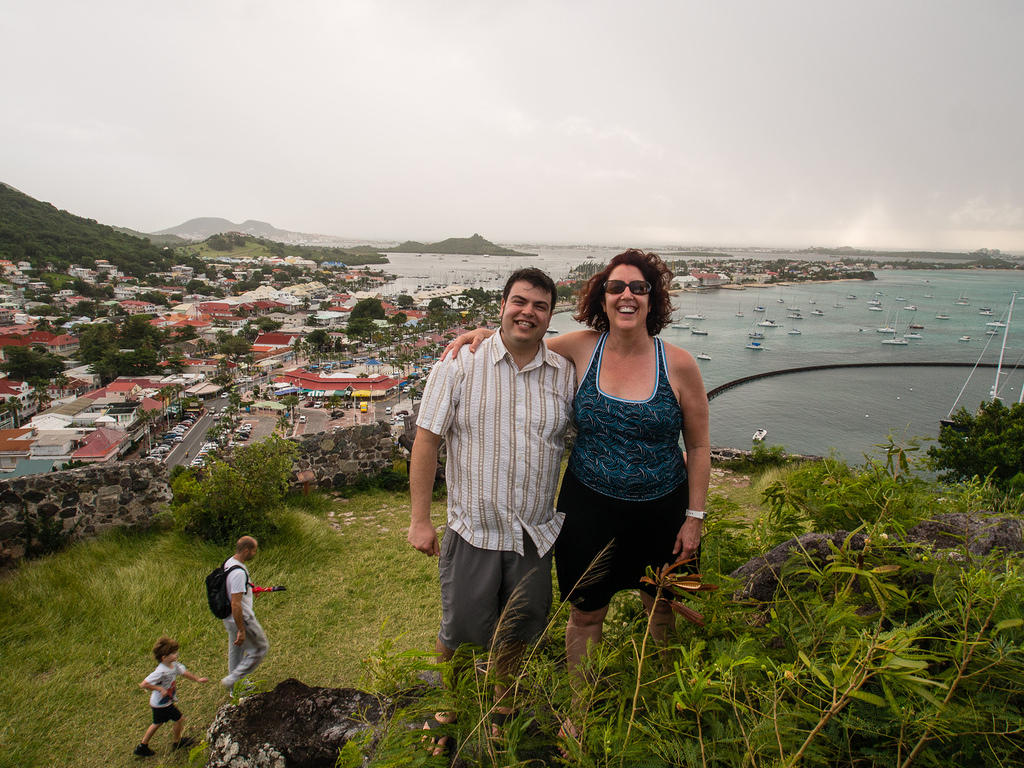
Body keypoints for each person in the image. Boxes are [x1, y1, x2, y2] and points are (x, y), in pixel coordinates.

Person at [447, 249, 710, 677]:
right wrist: (481, 333)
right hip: (591, 509)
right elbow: (522, 342)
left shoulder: (678, 363)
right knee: (586, 615)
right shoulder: (582, 346)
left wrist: (694, 517)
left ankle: (663, 698)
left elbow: (698, 447)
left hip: (663, 508)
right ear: (602, 298)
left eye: (639, 288)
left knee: (664, 608)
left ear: (652, 299)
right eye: (616, 287)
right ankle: (580, 712)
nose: (627, 295)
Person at [408, 267, 575, 751]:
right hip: (474, 530)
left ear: (549, 316)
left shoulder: (564, 375)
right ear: (502, 305)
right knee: (459, 633)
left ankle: (503, 709)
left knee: (518, 635)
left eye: (540, 306)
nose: (528, 312)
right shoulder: (460, 365)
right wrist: (420, 520)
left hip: (533, 535)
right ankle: (452, 709)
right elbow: (427, 441)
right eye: (520, 302)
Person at [133, 636, 208, 757]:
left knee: (158, 723)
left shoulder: (173, 665)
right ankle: (176, 742)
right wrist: (159, 688)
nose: (176, 654)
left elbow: (184, 673)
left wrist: (197, 679)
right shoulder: (161, 671)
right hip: (161, 704)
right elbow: (144, 684)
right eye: (173, 653)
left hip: (164, 702)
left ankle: (143, 746)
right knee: (178, 719)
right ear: (164, 658)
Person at [220, 535, 269, 694]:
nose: (255, 553)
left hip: (228, 617)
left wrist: (250, 590)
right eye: (254, 550)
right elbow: (236, 603)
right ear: (247, 550)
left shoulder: (230, 563)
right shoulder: (238, 573)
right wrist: (241, 629)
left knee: (236, 651)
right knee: (260, 648)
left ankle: (236, 686)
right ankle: (233, 680)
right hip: (241, 618)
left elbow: (232, 589)